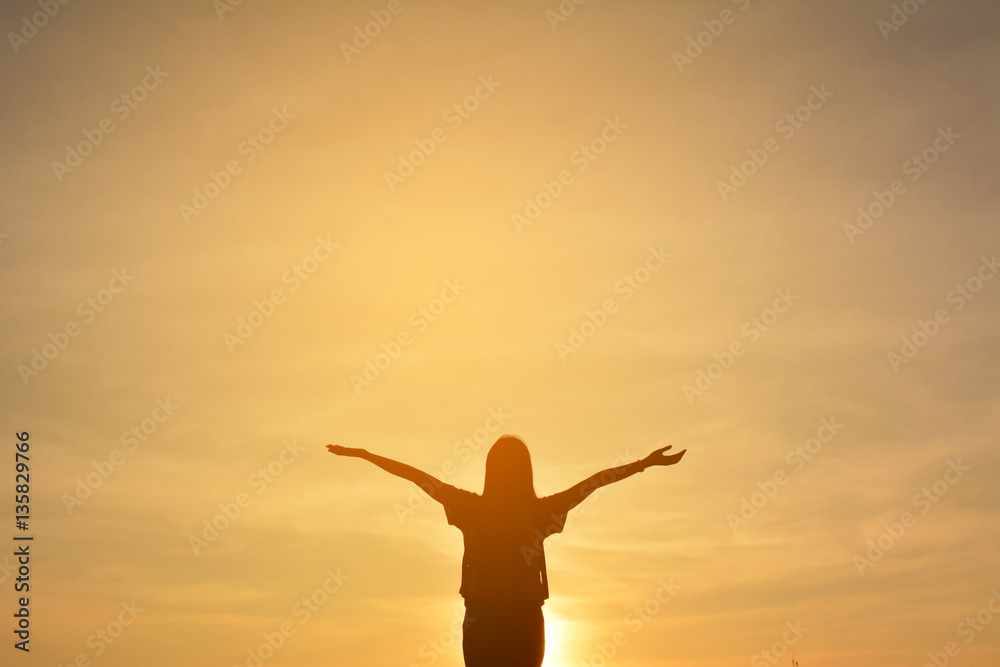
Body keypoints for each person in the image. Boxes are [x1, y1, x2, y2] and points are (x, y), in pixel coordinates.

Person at [327, 435, 686, 667]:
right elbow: (594, 483)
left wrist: (643, 463)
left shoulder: (477, 507)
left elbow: (593, 482)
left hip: (509, 620)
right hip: (499, 621)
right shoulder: (526, 510)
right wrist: (365, 454)